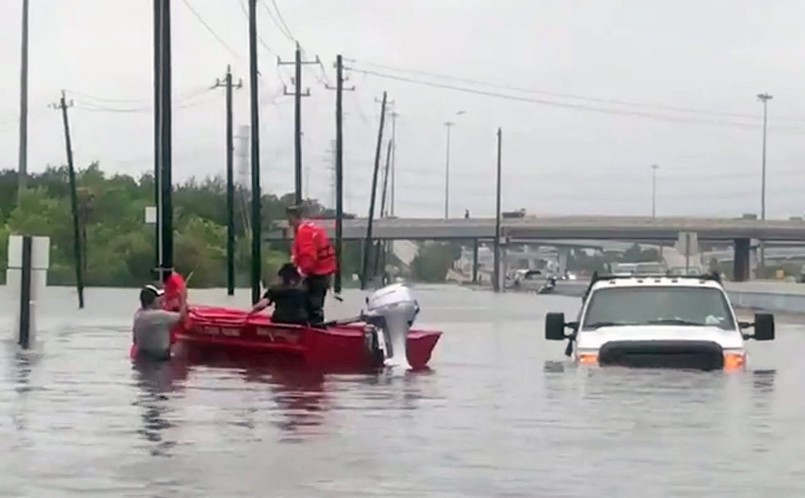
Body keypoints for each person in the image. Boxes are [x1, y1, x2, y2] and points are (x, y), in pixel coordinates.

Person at [286, 205, 337, 325]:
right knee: (316, 304)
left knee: (311, 305)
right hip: (324, 273)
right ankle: (316, 325)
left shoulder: (304, 232)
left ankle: (313, 330)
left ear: (294, 217)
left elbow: (308, 256)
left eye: (289, 219)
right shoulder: (311, 227)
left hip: (316, 274)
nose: (289, 222)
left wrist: (300, 273)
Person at [132, 283, 188, 361]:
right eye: (158, 297)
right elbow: (182, 316)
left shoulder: (138, 315)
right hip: (159, 359)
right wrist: (183, 298)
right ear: (153, 300)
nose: (161, 299)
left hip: (143, 357)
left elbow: (134, 340)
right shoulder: (159, 316)